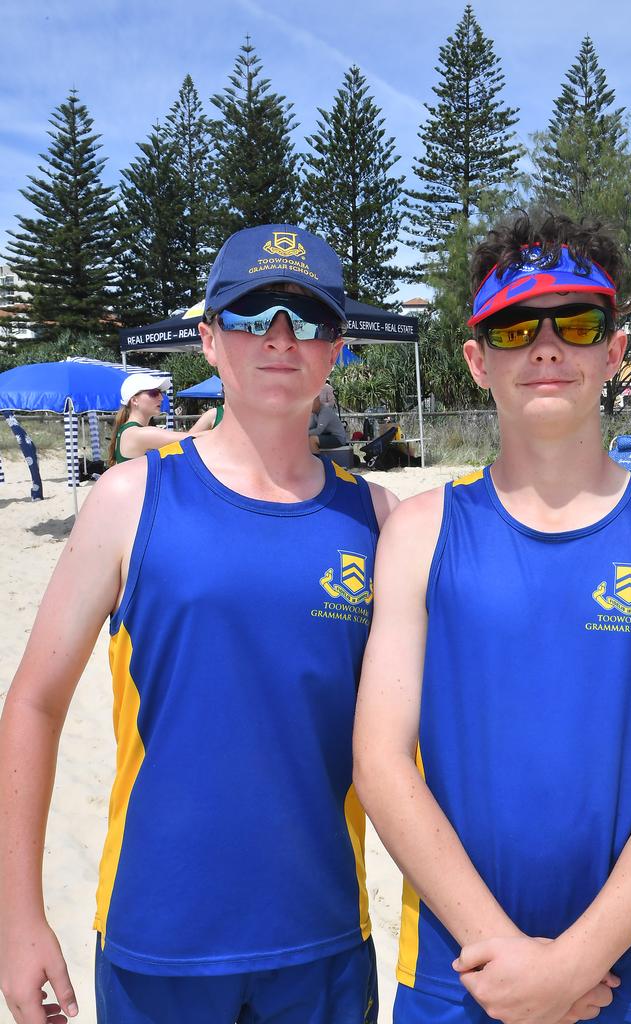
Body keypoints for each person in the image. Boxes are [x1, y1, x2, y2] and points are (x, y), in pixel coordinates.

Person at [0, 223, 397, 1024]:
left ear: (336, 348)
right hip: (159, 936)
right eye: (253, 313)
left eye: (307, 317)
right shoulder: (132, 499)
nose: (280, 338)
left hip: (322, 939)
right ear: (209, 340)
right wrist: (16, 917)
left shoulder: (381, 518)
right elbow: (34, 705)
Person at [354, 212, 631, 1024]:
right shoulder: (420, 535)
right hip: (458, 970)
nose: (546, 345)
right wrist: (509, 955)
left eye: (576, 320)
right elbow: (382, 763)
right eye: (513, 326)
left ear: (613, 349)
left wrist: (573, 963)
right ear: (476, 359)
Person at [108, 373, 215, 465]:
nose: (161, 398)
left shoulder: (129, 430)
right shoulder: (138, 433)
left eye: (160, 393)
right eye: (153, 393)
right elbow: (189, 439)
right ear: (134, 400)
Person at [308, 385, 347, 452]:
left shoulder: (325, 411)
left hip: (338, 438)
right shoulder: (314, 414)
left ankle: (318, 461)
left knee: (312, 439)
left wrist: (304, 434)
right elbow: (311, 426)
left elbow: (319, 430)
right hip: (328, 436)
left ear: (317, 402)